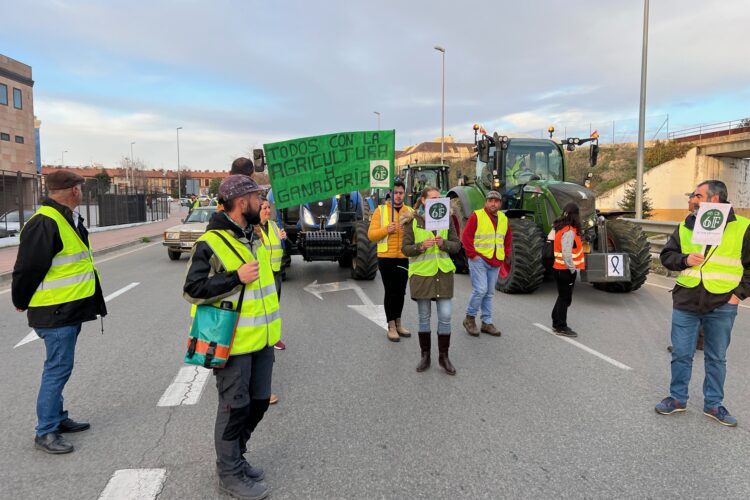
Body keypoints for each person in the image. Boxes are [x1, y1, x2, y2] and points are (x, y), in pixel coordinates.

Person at [184, 175, 280, 498]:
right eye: (256, 197)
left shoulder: (253, 235)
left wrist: (272, 330)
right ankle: (229, 473)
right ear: (242, 203)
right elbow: (193, 289)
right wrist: (234, 278)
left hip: (262, 340)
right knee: (233, 408)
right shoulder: (210, 242)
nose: (262, 202)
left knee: (259, 402)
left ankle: (235, 457)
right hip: (232, 344)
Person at [12, 170, 107, 454]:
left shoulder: (67, 218)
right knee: (57, 369)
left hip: (69, 308)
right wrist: (20, 298)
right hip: (54, 312)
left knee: (60, 367)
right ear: (73, 190)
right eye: (80, 187)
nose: (82, 192)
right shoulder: (45, 223)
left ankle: (58, 418)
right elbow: (28, 268)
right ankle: (46, 430)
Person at [655, 180, 750, 427]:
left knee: (716, 358)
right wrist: (685, 260)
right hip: (686, 300)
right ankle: (677, 399)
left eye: (697, 195)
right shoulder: (687, 224)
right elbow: (667, 256)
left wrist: (738, 295)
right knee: (681, 355)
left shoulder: (743, 228)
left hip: (722, 303)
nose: (692, 199)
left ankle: (714, 404)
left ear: (714, 199)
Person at [401, 187, 461, 375]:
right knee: (424, 317)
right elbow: (405, 249)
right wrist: (421, 246)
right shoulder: (413, 222)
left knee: (445, 316)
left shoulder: (447, 220)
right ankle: (425, 356)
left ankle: (444, 357)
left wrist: (444, 244)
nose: (437, 200)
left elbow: (457, 246)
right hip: (422, 276)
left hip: (442, 275)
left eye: (439, 197)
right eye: (433, 198)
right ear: (424, 201)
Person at [367, 180, 413, 342]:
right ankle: (391, 325)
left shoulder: (409, 211)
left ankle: (399, 322)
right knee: (391, 291)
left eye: (401, 193)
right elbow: (371, 235)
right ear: (390, 193)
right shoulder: (380, 211)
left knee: (401, 292)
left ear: (404, 193)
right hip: (386, 258)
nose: (398, 196)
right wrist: (387, 229)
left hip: (403, 257)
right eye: (395, 193)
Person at [461, 190, 508, 337]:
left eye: (496, 201)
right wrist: (472, 255)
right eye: (490, 200)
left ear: (500, 203)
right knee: (480, 290)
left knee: (489, 293)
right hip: (479, 259)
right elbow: (466, 236)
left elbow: (507, 239)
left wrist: (504, 255)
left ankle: (487, 322)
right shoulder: (477, 215)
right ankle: (469, 318)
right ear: (486, 202)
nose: (493, 203)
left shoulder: (503, 218)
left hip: (495, 260)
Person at [550, 202, 586, 337]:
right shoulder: (569, 231)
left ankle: (555, 320)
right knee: (565, 299)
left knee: (562, 296)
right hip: (565, 270)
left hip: (558, 268)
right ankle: (561, 326)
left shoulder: (559, 228)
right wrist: (572, 269)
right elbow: (566, 253)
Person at [258, 198, 287, 351]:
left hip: (275, 272)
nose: (268, 210)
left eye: (269, 207)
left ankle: (274, 338)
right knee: (262, 308)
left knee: (274, 307)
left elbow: (279, 246)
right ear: (258, 211)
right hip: (261, 275)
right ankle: (262, 338)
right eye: (264, 208)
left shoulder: (274, 225)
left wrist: (283, 237)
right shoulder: (254, 229)